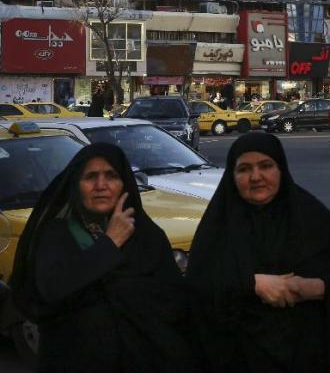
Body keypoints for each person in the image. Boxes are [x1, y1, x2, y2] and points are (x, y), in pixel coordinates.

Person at [9, 144, 198, 372]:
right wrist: (110, 243)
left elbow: (173, 302)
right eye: (90, 177)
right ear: (76, 186)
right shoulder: (56, 235)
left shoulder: (147, 236)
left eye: (111, 176)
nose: (101, 186)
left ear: (124, 184)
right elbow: (53, 291)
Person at [186, 133, 330, 373]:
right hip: (237, 358)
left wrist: (312, 287)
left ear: (281, 169)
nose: (256, 177)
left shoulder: (311, 217)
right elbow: (197, 288)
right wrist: (251, 284)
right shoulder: (218, 227)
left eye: (266, 166)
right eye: (244, 169)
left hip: (308, 356)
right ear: (232, 176)